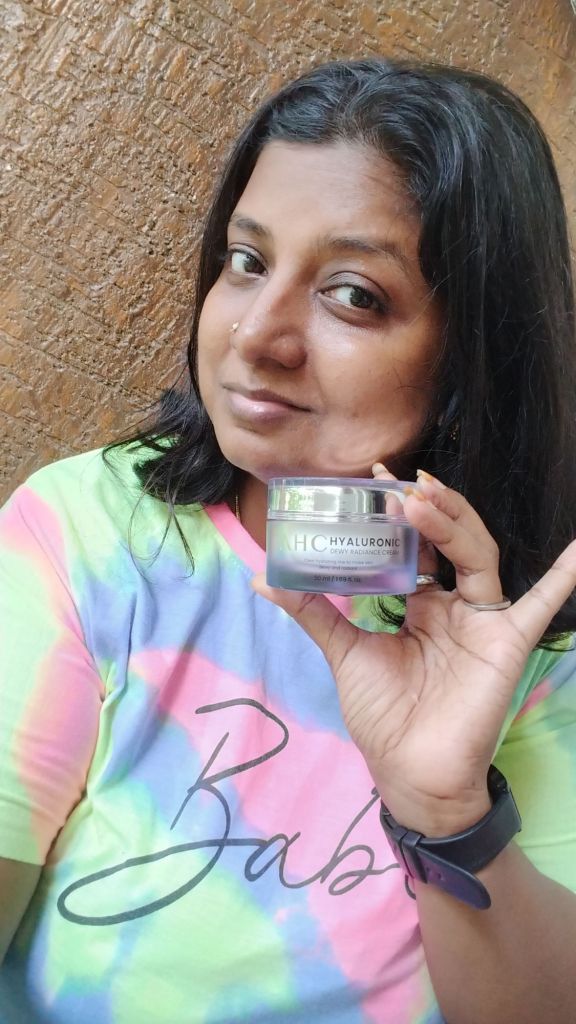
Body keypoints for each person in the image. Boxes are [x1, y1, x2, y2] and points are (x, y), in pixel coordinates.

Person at [1, 57, 575, 1024]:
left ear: (472, 351)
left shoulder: (532, 628)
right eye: (247, 261)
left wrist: (448, 812)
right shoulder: (85, 532)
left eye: (353, 294)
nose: (257, 335)